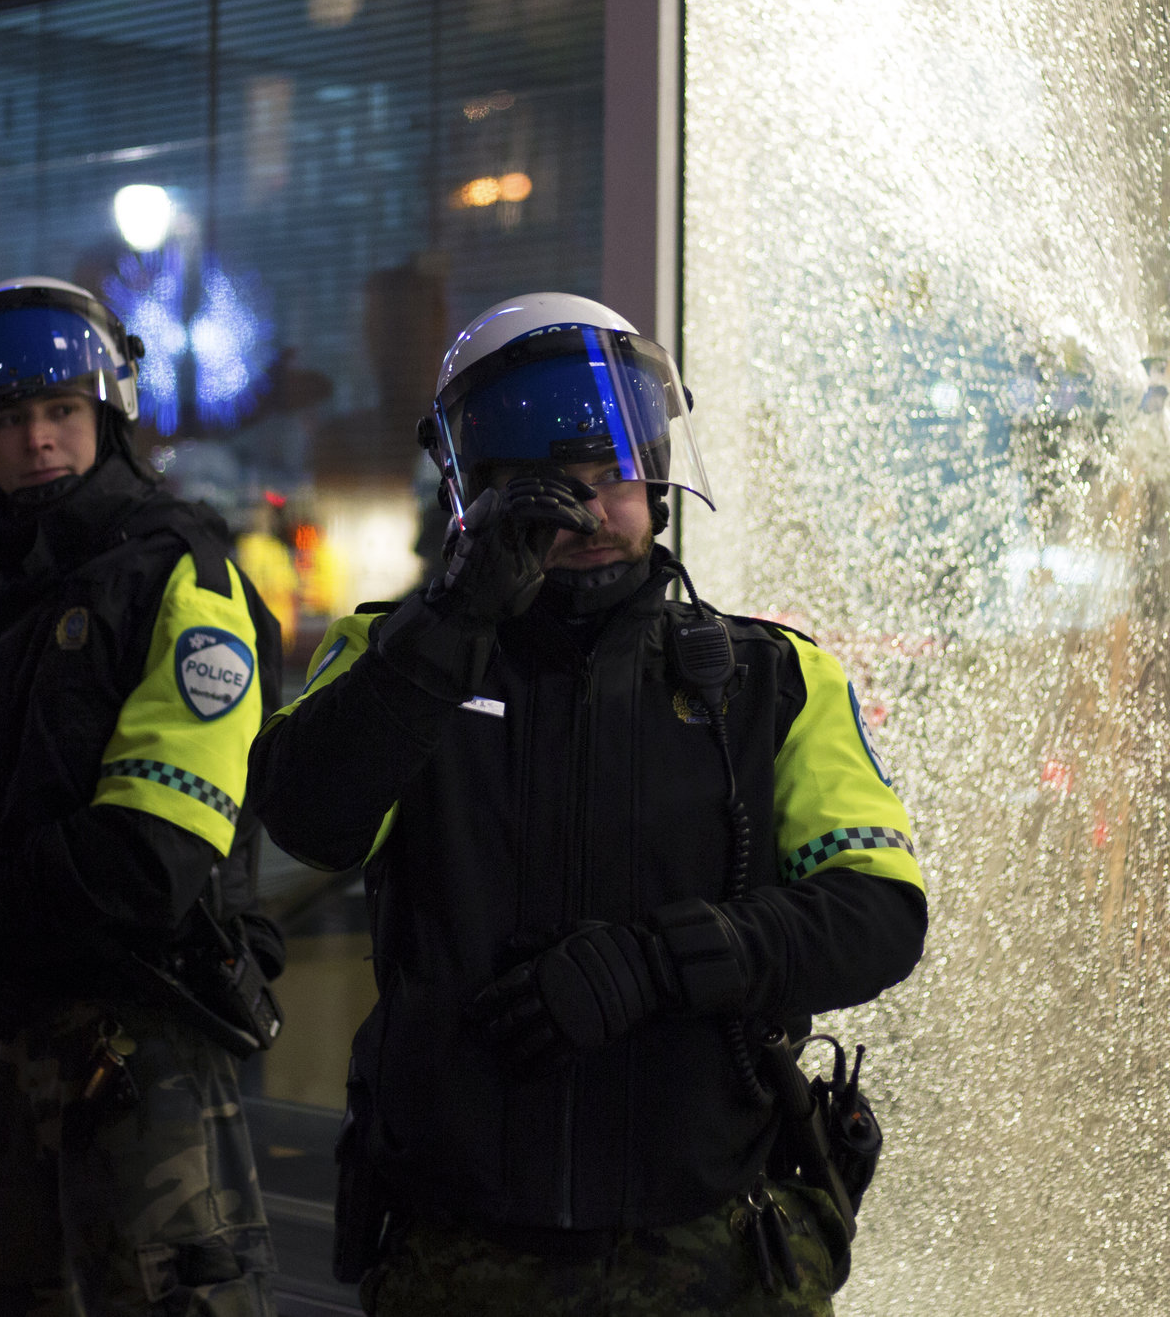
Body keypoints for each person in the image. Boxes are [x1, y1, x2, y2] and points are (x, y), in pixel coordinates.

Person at [251, 293, 928, 1316]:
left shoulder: (769, 679)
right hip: (461, 1250)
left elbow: (879, 914)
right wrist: (452, 618)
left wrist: (663, 963)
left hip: (706, 1244)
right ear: (476, 494)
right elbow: (308, 818)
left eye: (613, 477)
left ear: (655, 479)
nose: (588, 515)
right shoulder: (392, 658)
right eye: (548, 488)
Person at [0, 277, 284, 1316]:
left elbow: (151, 853)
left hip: (140, 1057)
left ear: (106, 417)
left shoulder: (182, 577)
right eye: (10, 419)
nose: (38, 440)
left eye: (61, 412)